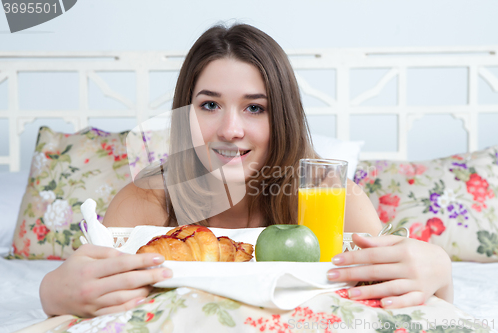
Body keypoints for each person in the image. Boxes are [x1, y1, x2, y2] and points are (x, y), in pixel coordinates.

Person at [39, 23, 453, 318]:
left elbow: (409, 313)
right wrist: (52, 294)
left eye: (255, 108)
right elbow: (98, 315)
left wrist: (441, 273)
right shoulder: (143, 205)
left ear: (283, 119)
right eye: (209, 105)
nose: (230, 130)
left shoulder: (337, 202)